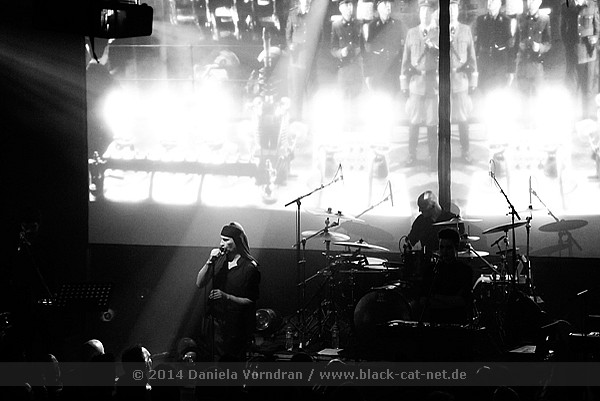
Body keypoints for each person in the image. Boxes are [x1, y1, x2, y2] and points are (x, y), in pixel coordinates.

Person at [196, 222, 260, 361]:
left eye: (226, 240)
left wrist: (226, 297)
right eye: (221, 239)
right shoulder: (220, 262)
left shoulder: (249, 268)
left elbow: (251, 301)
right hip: (215, 324)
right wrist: (209, 261)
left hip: (235, 328)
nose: (221, 244)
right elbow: (200, 283)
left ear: (236, 241)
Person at [400, 0, 439, 168]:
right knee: (414, 121)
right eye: (422, 11)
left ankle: (433, 157)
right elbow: (405, 59)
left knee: (432, 122)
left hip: (431, 83)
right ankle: (411, 155)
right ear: (419, 13)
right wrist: (404, 84)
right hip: (416, 83)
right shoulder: (412, 33)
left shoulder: (438, 33)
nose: (425, 15)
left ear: (432, 14)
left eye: (428, 11)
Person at [419, 228, 473, 325]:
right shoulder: (431, 270)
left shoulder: (464, 271)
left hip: (456, 322)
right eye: (442, 247)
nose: (444, 251)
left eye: (448, 248)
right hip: (434, 321)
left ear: (456, 248)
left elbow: (462, 301)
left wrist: (435, 297)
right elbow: (423, 300)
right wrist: (448, 301)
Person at [449, 0, 478, 163]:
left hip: (460, 80)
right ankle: (444, 152)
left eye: (454, 9)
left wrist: (473, 80)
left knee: (462, 118)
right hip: (443, 81)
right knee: (442, 118)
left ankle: (465, 151)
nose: (452, 12)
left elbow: (471, 55)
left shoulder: (466, 30)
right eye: (449, 9)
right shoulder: (437, 29)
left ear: (458, 11)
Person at [560, 0, 599, 119]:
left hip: (589, 54)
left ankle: (586, 118)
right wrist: (569, 46)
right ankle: (572, 120)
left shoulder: (592, 5)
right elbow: (562, 30)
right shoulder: (566, 6)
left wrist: (595, 38)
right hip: (573, 55)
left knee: (587, 90)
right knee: (572, 89)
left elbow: (598, 29)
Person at [286, 0, 319, 121]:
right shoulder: (293, 15)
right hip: (296, 61)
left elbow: (319, 36)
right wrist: (291, 46)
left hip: (309, 61)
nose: (306, 4)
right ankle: (296, 119)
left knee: (310, 92)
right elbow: (288, 36)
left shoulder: (314, 15)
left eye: (308, 2)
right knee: (296, 93)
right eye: (304, 2)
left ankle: (310, 119)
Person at [475, 0, 517, 94]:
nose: (490, 3)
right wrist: (475, 67)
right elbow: (477, 44)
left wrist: (511, 70)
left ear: (499, 4)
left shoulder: (506, 21)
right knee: (484, 93)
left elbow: (511, 47)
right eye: (489, 1)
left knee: (498, 93)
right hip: (484, 64)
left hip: (500, 65)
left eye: (493, 1)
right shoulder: (481, 20)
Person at [364, 0, 405, 93]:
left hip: (394, 68)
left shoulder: (397, 24)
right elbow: (368, 51)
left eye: (390, 3)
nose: (388, 6)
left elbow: (402, 47)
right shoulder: (372, 26)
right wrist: (368, 73)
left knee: (394, 95)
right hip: (379, 70)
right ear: (379, 7)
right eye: (385, 3)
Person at [516, 0, 551, 102]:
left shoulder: (544, 19)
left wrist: (539, 47)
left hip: (536, 64)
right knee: (522, 98)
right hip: (522, 64)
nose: (531, 3)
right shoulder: (520, 18)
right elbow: (516, 39)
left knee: (537, 98)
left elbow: (548, 43)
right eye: (529, 1)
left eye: (534, 1)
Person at [330, 0, 364, 101]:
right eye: (346, 5)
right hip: (343, 68)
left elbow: (364, 45)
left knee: (357, 98)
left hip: (357, 67)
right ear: (340, 8)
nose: (349, 8)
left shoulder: (359, 24)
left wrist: (359, 49)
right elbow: (332, 48)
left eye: (350, 5)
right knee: (344, 98)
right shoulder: (336, 25)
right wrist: (340, 53)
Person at [406, 190, 459, 255]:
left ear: (433, 205)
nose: (420, 210)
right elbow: (411, 240)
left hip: (447, 259)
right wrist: (407, 246)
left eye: (422, 207)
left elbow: (460, 245)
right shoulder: (420, 221)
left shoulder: (451, 220)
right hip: (426, 259)